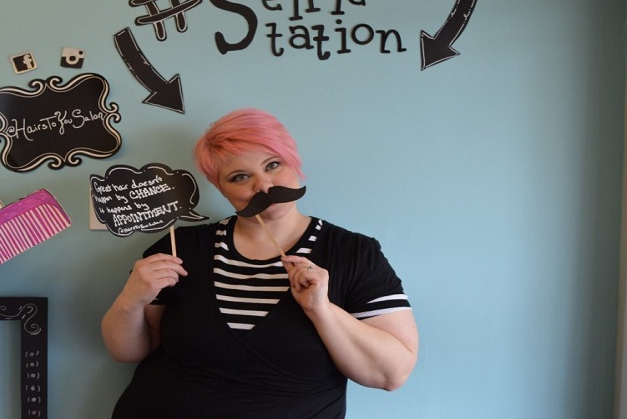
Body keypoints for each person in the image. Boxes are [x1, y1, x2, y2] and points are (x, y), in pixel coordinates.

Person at [101, 108, 418, 418]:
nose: (264, 186)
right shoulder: (179, 247)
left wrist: (321, 310)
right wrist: (131, 299)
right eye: (240, 177)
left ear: (294, 161)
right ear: (220, 188)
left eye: (273, 164)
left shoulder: (354, 253)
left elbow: (391, 375)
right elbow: (127, 352)